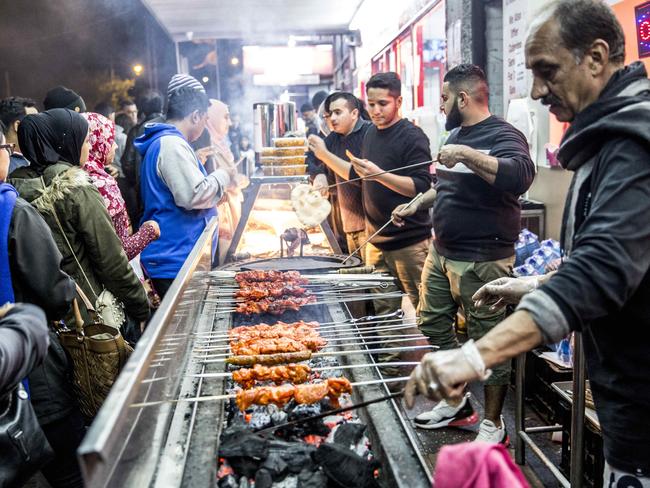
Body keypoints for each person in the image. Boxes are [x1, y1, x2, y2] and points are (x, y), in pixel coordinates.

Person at [405, 1, 650, 484]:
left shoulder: (632, 146)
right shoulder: (605, 144)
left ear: (597, 58)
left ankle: (490, 421)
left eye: (546, 71)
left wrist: (472, 356)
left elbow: (599, 273)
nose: (536, 91)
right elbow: (620, 260)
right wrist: (531, 284)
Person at [394, 64, 535, 442]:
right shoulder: (454, 132)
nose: (440, 105)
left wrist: (467, 154)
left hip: (483, 258)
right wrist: (416, 204)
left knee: (489, 342)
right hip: (442, 252)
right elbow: (444, 185)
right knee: (432, 324)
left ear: (463, 97)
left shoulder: (504, 134)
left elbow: (521, 175)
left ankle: (493, 424)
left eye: (443, 98)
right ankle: (457, 401)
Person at [9, 109, 150, 328]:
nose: (87, 147)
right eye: (84, 141)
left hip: (45, 320)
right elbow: (111, 262)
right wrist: (141, 306)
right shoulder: (76, 190)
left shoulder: (16, 192)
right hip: (94, 315)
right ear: (64, 144)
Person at [2, 121, 83, 487]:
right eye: (5, 149)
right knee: (69, 471)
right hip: (32, 378)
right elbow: (55, 290)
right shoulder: (13, 213)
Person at [348, 72, 433, 371]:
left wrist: (377, 174)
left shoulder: (412, 136)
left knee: (427, 311)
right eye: (371, 104)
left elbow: (423, 187)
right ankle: (389, 369)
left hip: (409, 242)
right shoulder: (370, 134)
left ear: (399, 100)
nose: (375, 111)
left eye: (382, 103)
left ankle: (448, 376)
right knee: (384, 312)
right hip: (377, 239)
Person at [135, 75, 231, 297]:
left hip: (178, 255)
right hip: (174, 259)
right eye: (206, 119)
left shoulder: (171, 143)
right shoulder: (171, 144)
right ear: (195, 115)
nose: (206, 126)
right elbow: (192, 195)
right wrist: (222, 176)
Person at [80, 112, 160, 260]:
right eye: (110, 139)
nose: (115, 146)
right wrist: (149, 231)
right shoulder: (102, 185)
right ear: (96, 142)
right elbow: (121, 251)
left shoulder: (77, 177)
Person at [307, 92, 371, 257]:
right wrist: (319, 175)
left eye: (338, 113)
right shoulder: (334, 139)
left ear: (354, 113)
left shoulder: (370, 134)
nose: (332, 119)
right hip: (348, 227)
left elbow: (361, 177)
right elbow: (309, 159)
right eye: (328, 115)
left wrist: (325, 156)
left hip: (371, 227)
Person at [197, 99, 248, 264]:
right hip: (215, 217)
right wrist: (232, 182)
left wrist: (237, 181)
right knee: (220, 262)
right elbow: (208, 184)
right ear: (211, 118)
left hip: (227, 211)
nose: (230, 122)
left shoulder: (221, 144)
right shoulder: (205, 145)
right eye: (225, 117)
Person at [122, 89, 165, 227]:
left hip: (145, 196)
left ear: (141, 110)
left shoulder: (136, 131)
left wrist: (136, 184)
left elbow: (128, 164)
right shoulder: (171, 126)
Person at [0, 96, 38, 174]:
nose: (40, 127)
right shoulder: (7, 167)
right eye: (35, 122)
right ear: (18, 125)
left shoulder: (30, 158)